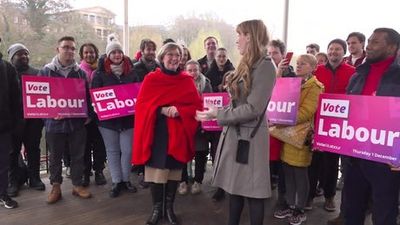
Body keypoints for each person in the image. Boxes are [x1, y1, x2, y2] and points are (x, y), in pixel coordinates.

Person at [196, 19, 276, 225]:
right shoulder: (247, 63)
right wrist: (218, 111)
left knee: (253, 193)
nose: (237, 39)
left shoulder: (266, 66)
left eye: (239, 34)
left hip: (250, 139)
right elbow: (238, 104)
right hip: (237, 136)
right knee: (235, 190)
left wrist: (218, 115)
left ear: (250, 37)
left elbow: (253, 109)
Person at [133, 42, 202, 225]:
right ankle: (157, 209)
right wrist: (160, 111)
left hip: (178, 134)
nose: (174, 58)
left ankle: (169, 209)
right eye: (170, 54)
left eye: (177, 55)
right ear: (162, 57)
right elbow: (141, 106)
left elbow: (196, 106)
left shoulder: (186, 80)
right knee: (156, 175)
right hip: (157, 135)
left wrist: (180, 110)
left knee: (173, 173)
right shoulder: (151, 79)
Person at [343, 28, 400, 225]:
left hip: (386, 161)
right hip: (354, 157)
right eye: (369, 41)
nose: (368, 45)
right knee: (351, 210)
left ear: (392, 47)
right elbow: (347, 112)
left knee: (384, 213)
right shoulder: (358, 75)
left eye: (375, 42)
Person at [38, 36, 93, 204]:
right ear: (58, 49)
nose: (69, 51)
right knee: (54, 157)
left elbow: (86, 97)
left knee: (78, 155)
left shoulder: (80, 73)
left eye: (72, 48)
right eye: (65, 47)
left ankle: (77, 185)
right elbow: (38, 99)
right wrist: (48, 114)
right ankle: (56, 186)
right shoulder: (46, 71)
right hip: (54, 124)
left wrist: (88, 115)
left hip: (76, 123)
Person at [273, 54, 324, 225]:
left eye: (304, 63)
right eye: (298, 63)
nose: (299, 66)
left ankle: (300, 208)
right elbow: (277, 92)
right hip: (286, 134)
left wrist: (281, 118)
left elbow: (306, 112)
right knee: (287, 171)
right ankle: (289, 203)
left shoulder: (315, 87)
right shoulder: (292, 82)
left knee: (300, 174)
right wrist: (278, 72)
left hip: (301, 137)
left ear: (313, 67)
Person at [312, 38, 355, 212]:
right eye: (330, 49)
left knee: (331, 163)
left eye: (337, 49)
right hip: (316, 122)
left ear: (344, 52)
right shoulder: (317, 70)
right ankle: (309, 196)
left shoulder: (353, 72)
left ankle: (329, 197)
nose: (333, 52)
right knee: (313, 162)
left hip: (338, 126)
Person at [91, 39, 138, 198]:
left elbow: (139, 93)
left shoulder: (132, 72)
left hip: (128, 120)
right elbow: (94, 97)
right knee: (112, 151)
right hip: (107, 122)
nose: (117, 55)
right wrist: (98, 108)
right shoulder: (99, 74)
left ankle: (126, 180)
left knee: (128, 150)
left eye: (119, 52)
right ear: (108, 54)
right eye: (113, 52)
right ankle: (117, 181)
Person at [7, 43, 45, 197]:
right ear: (12, 58)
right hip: (13, 121)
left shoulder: (37, 73)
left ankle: (34, 178)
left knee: (34, 149)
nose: (24, 57)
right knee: (12, 152)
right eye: (19, 54)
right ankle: (13, 181)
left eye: (26, 54)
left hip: (33, 120)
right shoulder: (6, 73)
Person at [178, 60, 212, 195]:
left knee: (200, 153)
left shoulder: (206, 84)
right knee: (182, 153)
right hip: (184, 124)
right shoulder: (179, 84)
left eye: (195, 70)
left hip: (201, 124)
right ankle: (182, 181)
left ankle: (198, 181)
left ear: (200, 70)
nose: (193, 73)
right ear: (185, 71)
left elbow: (211, 102)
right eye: (190, 70)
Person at [79, 43, 107, 187]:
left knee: (99, 145)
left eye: (92, 52)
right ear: (82, 55)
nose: (89, 55)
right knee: (84, 145)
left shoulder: (102, 71)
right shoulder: (77, 71)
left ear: (96, 53)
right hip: (84, 115)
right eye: (86, 52)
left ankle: (99, 171)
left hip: (99, 114)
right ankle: (85, 173)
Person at [132, 38, 159, 189]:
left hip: (156, 110)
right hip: (142, 110)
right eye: (148, 49)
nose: (151, 52)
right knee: (143, 141)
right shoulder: (135, 68)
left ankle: (153, 171)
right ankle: (143, 172)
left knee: (154, 142)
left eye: (153, 49)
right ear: (142, 51)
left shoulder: (159, 67)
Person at [0, 42, 21, 209]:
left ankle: (2, 194)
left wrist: (15, 123)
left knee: (3, 163)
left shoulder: (7, 68)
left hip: (3, 125)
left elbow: (16, 99)